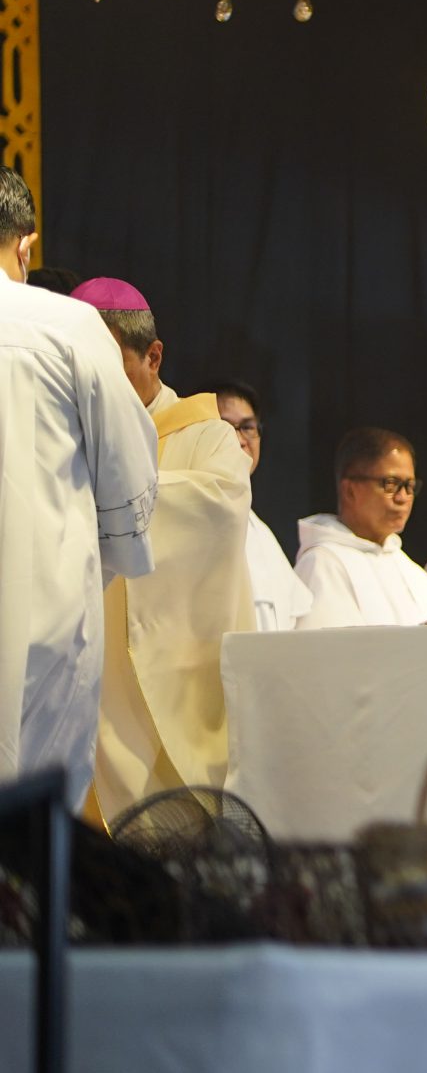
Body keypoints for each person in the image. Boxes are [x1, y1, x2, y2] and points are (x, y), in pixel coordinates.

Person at [0, 171, 159, 808]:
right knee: (35, 821)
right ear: (26, 245)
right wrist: (104, 559)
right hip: (46, 603)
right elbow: (128, 467)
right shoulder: (68, 326)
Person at [74, 277, 257, 820]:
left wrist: (96, 496)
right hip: (87, 675)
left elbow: (220, 508)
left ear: (153, 356)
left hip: (178, 673)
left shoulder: (206, 435)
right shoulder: (68, 437)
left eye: (108, 366)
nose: (92, 384)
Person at [296, 428, 427, 628]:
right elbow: (325, 645)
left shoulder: (410, 570)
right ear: (350, 490)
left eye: (409, 486)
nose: (402, 498)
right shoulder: (323, 563)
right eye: (390, 484)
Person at [206, 379, 313, 632]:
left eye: (247, 427)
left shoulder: (262, 533)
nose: (240, 439)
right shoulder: (187, 518)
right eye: (225, 427)